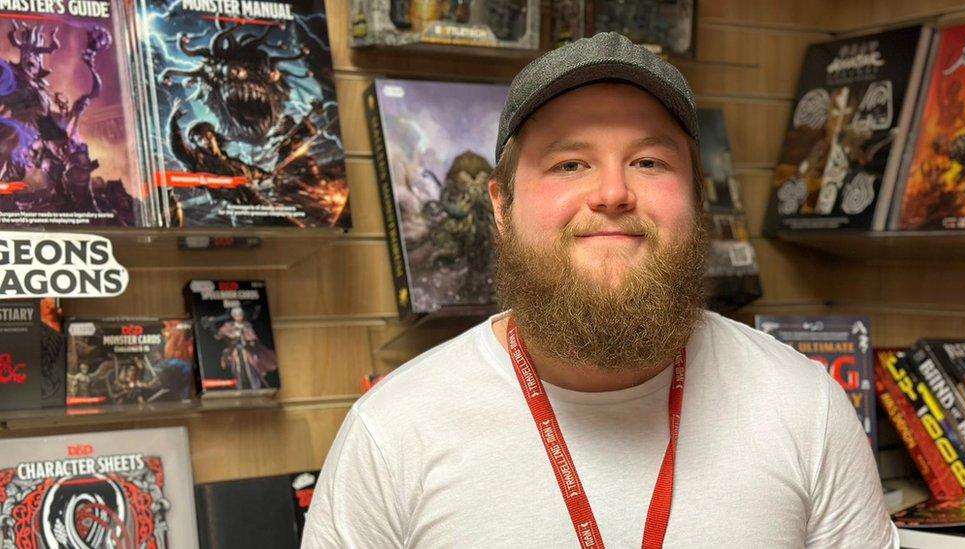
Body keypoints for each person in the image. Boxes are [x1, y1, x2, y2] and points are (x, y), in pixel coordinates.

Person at [302, 33, 895, 548]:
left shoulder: (805, 408)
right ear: (501, 207)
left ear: (696, 199)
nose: (612, 193)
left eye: (648, 162)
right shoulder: (392, 435)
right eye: (569, 164)